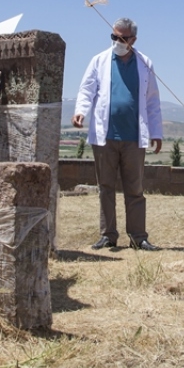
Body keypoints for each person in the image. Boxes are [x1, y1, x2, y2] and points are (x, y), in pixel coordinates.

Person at [72, 17, 164, 251]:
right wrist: (80, 111)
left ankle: (138, 237)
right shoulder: (99, 60)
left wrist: (156, 131)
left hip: (134, 137)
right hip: (105, 136)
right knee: (106, 187)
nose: (117, 41)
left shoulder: (145, 63)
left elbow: (152, 100)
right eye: (114, 36)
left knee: (135, 189)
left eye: (122, 38)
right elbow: (86, 90)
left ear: (133, 40)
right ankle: (108, 235)